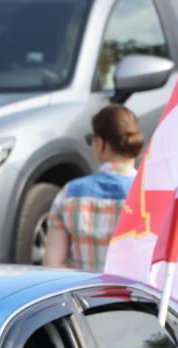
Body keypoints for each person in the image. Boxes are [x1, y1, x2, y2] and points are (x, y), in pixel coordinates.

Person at [43, 104, 144, 272]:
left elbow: (52, 264)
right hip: (135, 295)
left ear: (100, 143)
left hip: (85, 296)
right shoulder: (147, 195)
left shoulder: (69, 193)